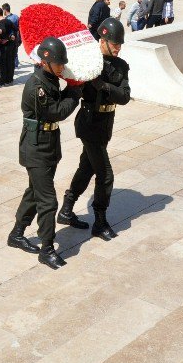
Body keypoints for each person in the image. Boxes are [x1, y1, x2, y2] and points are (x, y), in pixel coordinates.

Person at [7, 37, 82, 270]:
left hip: (48, 144)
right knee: (48, 200)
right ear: (45, 62)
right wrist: (74, 93)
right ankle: (47, 249)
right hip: (36, 147)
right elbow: (56, 112)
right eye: (59, 63)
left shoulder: (50, 79)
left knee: (35, 191)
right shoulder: (36, 86)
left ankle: (16, 234)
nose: (62, 67)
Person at [58, 18, 131, 239]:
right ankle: (100, 221)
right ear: (103, 40)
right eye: (114, 44)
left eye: (120, 45)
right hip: (89, 122)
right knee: (105, 174)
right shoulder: (87, 62)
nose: (118, 49)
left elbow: (125, 96)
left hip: (105, 123)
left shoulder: (120, 65)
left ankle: (66, 209)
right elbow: (70, 85)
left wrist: (105, 86)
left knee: (87, 167)